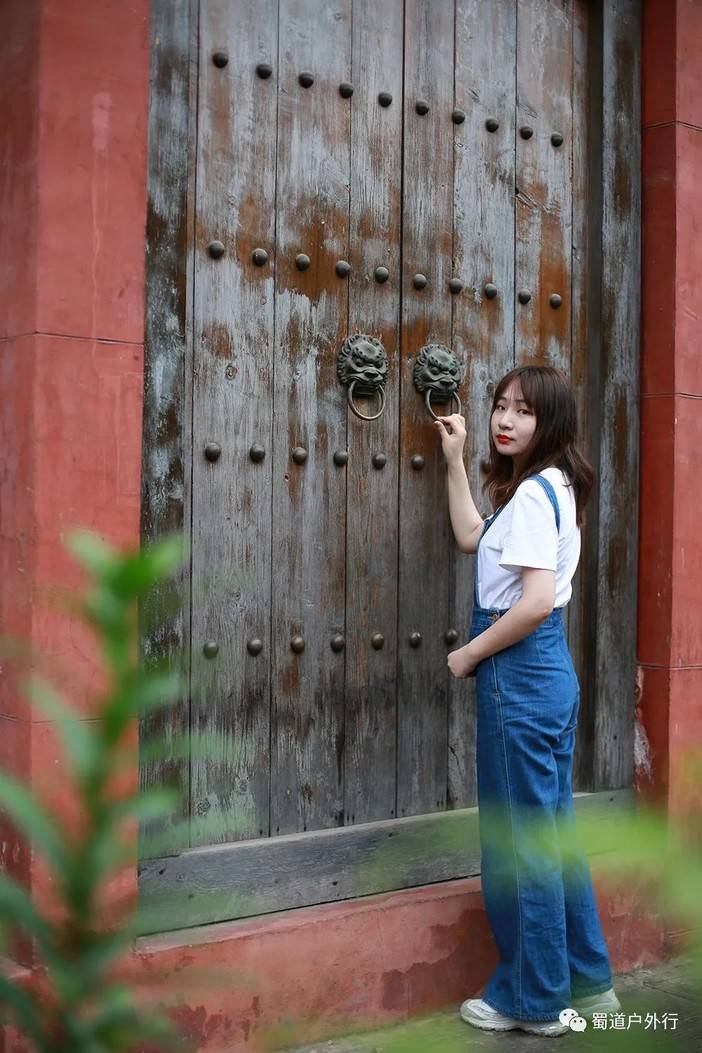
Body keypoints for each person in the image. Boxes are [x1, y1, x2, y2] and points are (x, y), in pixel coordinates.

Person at [434, 365, 621, 1038]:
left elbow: (536, 602)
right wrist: (455, 461)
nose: (505, 420)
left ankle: (535, 999)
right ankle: (588, 982)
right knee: (551, 834)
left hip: (519, 670)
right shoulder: (545, 489)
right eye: (500, 406)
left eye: (524, 411)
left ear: (553, 421)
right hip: (545, 672)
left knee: (520, 842)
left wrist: (470, 653)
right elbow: (471, 536)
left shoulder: (538, 496)